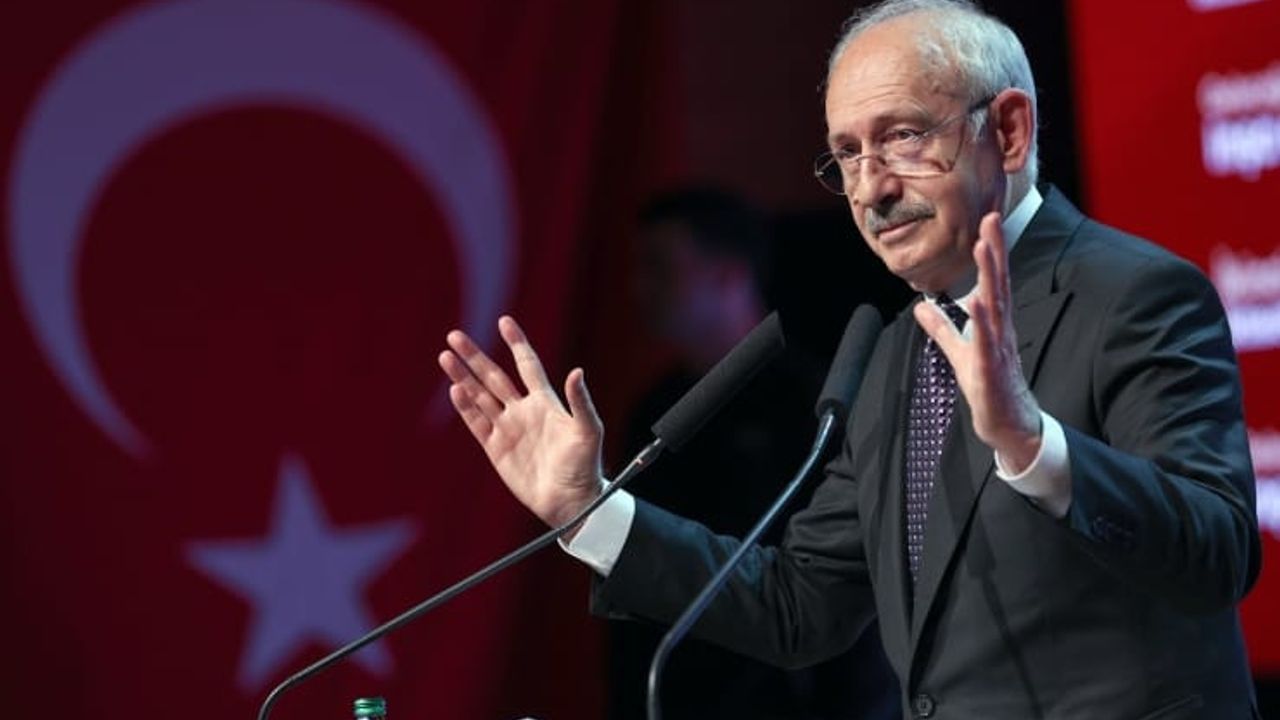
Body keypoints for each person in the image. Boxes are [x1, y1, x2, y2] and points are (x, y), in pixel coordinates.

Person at [437, 1, 1262, 717]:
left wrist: (1033, 445)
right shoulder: (896, 351)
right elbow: (800, 607)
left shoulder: (1135, 294)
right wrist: (590, 509)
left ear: (1008, 132)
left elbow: (1219, 554)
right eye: (848, 154)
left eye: (902, 137)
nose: (870, 189)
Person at [612, 187, 899, 719]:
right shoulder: (652, 410)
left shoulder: (819, 402)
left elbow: (852, 593)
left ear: (728, 274)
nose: (639, 288)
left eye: (660, 268)